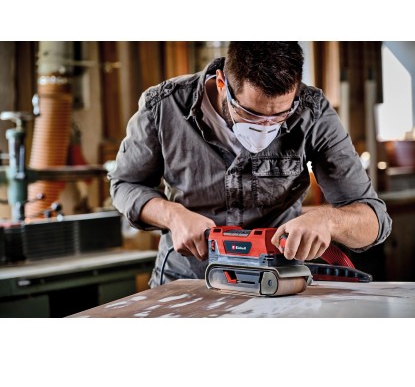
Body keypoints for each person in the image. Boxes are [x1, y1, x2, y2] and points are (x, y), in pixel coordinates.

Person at [108, 42, 392, 288]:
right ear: (222, 83)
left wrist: (328, 221)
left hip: (278, 281)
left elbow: (374, 220)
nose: (266, 128)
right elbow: (125, 184)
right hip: (188, 280)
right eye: (251, 115)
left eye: (280, 115)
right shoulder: (163, 106)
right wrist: (173, 216)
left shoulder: (312, 111)